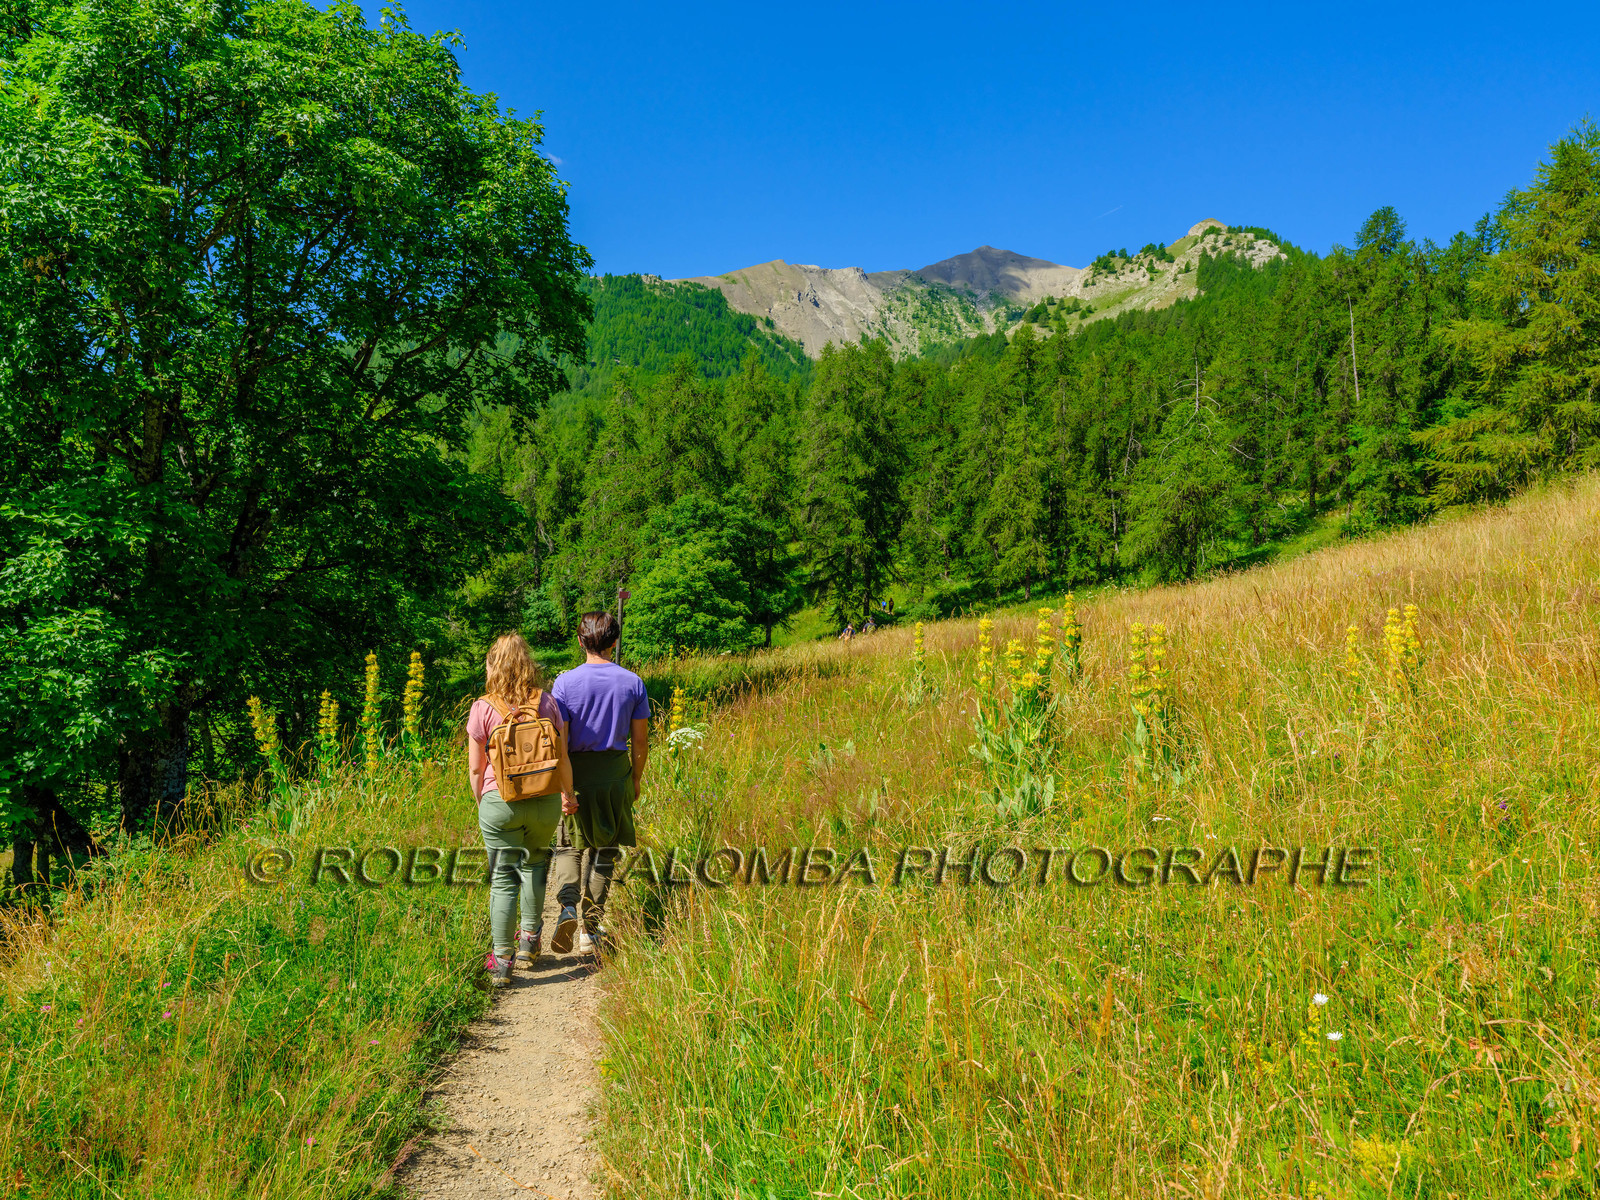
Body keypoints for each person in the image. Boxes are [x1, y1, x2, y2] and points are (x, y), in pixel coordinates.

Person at [467, 632, 575, 987]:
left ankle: (501, 961)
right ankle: (529, 941)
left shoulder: (483, 707)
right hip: (544, 801)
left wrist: (485, 802)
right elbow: (562, 759)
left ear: (492, 665)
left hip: (501, 802)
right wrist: (567, 795)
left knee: (503, 879)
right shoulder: (547, 703)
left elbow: (475, 768)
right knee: (536, 865)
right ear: (529, 663)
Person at [548, 612, 650, 956]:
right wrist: (634, 780)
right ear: (614, 642)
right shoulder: (633, 683)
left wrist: (564, 789)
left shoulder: (564, 684)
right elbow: (640, 743)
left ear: (581, 642)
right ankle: (589, 930)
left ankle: (567, 907)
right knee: (604, 851)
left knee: (567, 846)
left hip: (575, 771)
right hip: (614, 772)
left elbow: (559, 744)